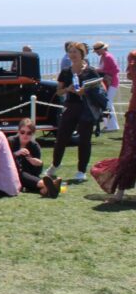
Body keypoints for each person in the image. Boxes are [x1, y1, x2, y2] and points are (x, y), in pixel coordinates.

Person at [48, 41, 103, 182]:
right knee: (61, 137)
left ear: (82, 54)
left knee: (85, 140)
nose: (72, 55)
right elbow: (59, 92)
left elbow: (100, 87)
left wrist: (86, 91)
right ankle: (55, 165)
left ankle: (81, 171)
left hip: (86, 108)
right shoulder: (66, 72)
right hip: (71, 106)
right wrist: (68, 89)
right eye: (70, 52)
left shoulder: (90, 71)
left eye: (75, 52)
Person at [92, 50, 136, 202]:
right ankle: (120, 192)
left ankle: (120, 193)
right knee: (129, 153)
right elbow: (130, 74)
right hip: (134, 113)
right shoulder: (133, 56)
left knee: (129, 153)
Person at [8, 118, 60, 198]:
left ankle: (45, 190)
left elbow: (36, 173)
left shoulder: (34, 146)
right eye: (22, 132)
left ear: (32, 134)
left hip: (28, 178)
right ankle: (49, 186)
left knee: (27, 176)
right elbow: (3, 160)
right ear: (18, 132)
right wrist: (16, 153)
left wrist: (38, 164)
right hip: (10, 175)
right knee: (20, 173)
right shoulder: (10, 142)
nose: (25, 135)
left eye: (29, 133)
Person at [93, 41, 120, 132]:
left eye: (97, 50)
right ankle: (109, 125)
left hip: (112, 82)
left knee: (107, 103)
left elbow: (116, 70)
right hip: (109, 82)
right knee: (107, 103)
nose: (96, 52)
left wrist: (101, 71)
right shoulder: (104, 57)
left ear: (102, 49)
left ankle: (112, 126)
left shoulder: (107, 57)